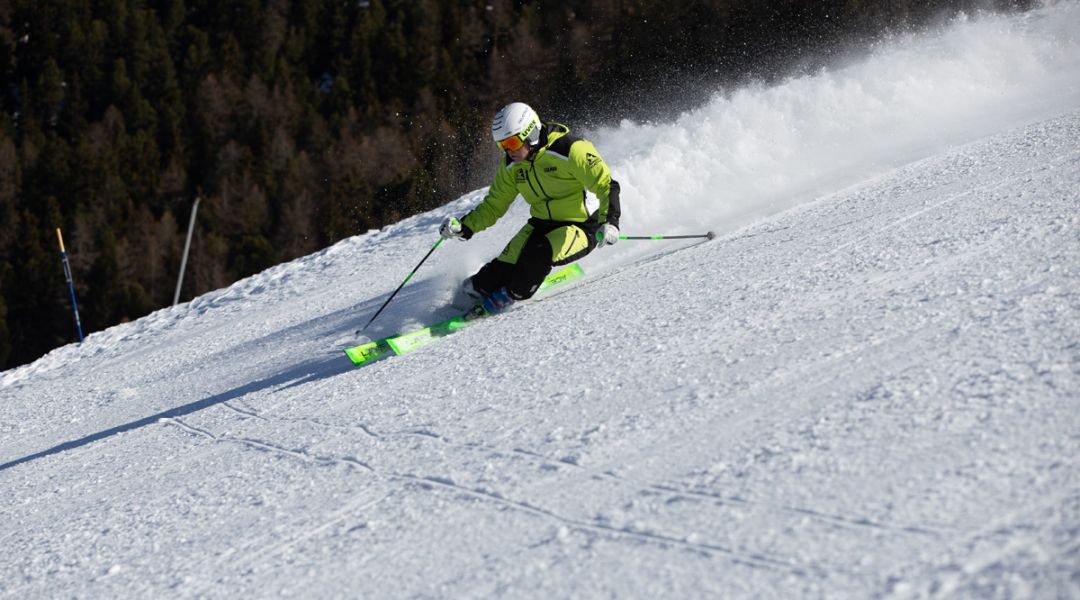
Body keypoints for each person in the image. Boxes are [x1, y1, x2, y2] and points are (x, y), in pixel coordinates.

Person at [439, 102, 622, 314]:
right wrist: (464, 226)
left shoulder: (571, 149)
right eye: (502, 145)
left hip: (580, 226)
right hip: (541, 225)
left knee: (536, 257)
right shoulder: (512, 166)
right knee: (488, 278)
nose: (508, 150)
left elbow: (606, 185)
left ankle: (507, 296)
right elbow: (494, 205)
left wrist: (610, 222)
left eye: (512, 142)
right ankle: (453, 310)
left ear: (531, 133)